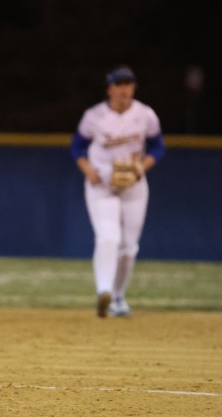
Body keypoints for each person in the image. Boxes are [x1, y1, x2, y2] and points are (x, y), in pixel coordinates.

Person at [70, 65, 165, 318]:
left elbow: (158, 146)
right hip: (102, 184)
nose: (124, 89)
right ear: (109, 89)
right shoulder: (94, 116)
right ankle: (104, 292)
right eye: (119, 84)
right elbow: (77, 146)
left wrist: (141, 168)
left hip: (133, 185)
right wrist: (87, 169)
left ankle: (118, 298)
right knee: (108, 237)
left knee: (129, 248)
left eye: (128, 84)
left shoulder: (145, 115)